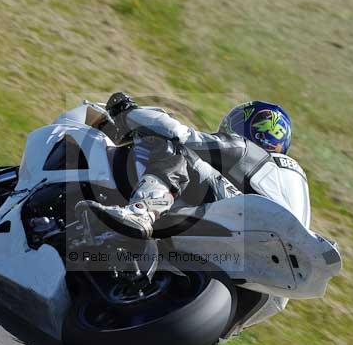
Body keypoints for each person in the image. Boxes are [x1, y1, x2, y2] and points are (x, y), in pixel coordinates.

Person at [76, 92, 310, 238]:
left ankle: (142, 212)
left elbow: (181, 135)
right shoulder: (290, 177)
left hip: (242, 212)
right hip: (270, 240)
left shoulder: (245, 149)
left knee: (176, 150)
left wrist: (128, 113)